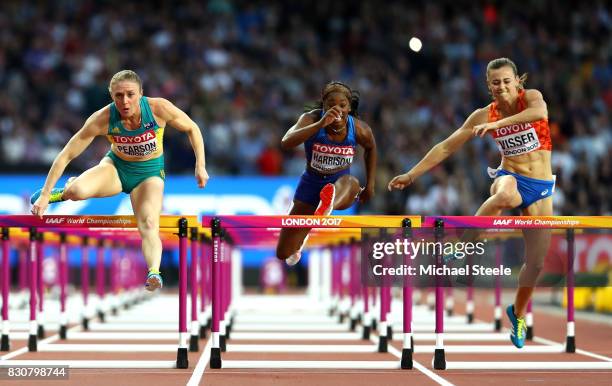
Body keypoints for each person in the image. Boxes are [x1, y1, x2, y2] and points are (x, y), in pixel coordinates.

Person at [388, 58, 554, 349]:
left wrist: (499, 124)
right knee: (502, 195)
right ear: (488, 86)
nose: (501, 87)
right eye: (495, 82)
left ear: (517, 81)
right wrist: (412, 174)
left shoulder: (531, 98)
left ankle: (517, 313)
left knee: (536, 263)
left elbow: (539, 113)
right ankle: (461, 249)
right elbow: (446, 146)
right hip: (510, 175)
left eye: (506, 81)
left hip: (541, 187)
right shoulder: (482, 115)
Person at [30, 70, 209, 291]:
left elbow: (193, 128)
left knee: (149, 224)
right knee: (77, 192)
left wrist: (200, 165)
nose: (125, 101)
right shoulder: (103, 118)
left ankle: (154, 272)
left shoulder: (158, 108)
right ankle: (62, 193)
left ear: (141, 94)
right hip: (116, 167)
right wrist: (46, 194)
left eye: (130, 94)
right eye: (118, 96)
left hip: (149, 174)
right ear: (111, 96)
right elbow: (66, 153)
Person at [277, 81, 377, 265]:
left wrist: (370, 184)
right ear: (323, 105)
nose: (337, 109)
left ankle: (327, 206)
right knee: (284, 253)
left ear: (349, 107)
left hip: (341, 185)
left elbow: (371, 148)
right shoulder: (311, 119)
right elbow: (286, 142)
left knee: (351, 182)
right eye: (331, 105)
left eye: (342, 105)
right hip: (311, 183)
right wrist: (321, 124)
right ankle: (303, 237)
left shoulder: (360, 129)